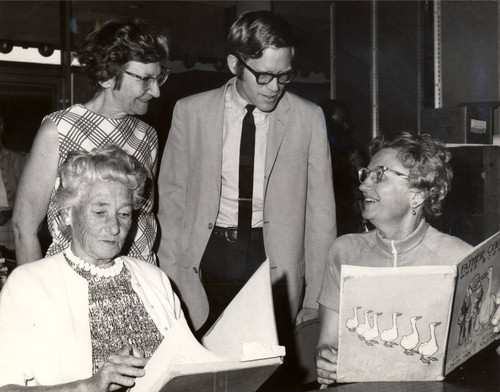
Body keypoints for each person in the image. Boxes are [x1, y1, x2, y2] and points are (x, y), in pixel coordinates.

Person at [157, 10, 336, 342]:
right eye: (264, 76)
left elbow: (321, 216)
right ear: (235, 64)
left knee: (264, 373)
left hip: (271, 259)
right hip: (207, 257)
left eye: (284, 76)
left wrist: (314, 300)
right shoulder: (190, 112)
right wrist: (172, 275)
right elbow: (171, 201)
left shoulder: (309, 118)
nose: (275, 88)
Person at [0, 145, 184, 392]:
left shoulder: (154, 278)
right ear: (67, 214)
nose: (114, 227)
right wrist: (89, 387)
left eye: (124, 214)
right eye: (100, 212)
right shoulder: (28, 284)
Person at [315, 132, 474, 385]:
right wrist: (325, 359)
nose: (364, 185)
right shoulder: (344, 251)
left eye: (379, 175)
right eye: (365, 174)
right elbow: (328, 342)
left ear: (417, 195)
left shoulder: (460, 258)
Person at [12, 18, 170, 266]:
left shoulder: (147, 135)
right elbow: (24, 227)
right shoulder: (59, 129)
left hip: (137, 279)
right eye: (145, 80)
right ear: (107, 77)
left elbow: (145, 220)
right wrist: (35, 295)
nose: (156, 92)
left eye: (159, 79)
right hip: (73, 281)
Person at [320, 99, 367, 235]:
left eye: (348, 122)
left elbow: (362, 187)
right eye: (340, 122)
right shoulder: (319, 153)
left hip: (348, 218)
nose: (346, 126)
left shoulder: (352, 153)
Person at [0, 115, 26, 251]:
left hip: (9, 224)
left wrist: (10, 214)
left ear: (1, 129)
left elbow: (28, 200)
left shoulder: (17, 161)